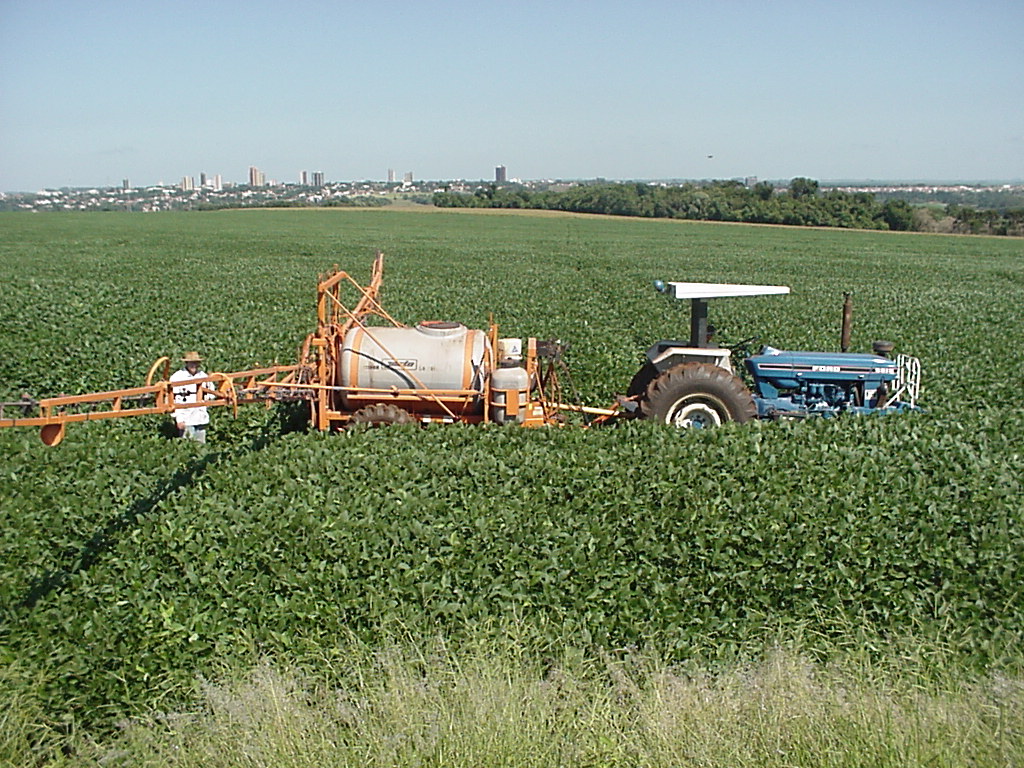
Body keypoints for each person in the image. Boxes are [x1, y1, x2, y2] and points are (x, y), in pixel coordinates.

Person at [169, 351, 213, 443]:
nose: (194, 365)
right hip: (186, 419)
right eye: (191, 363)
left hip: (201, 418)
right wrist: (179, 420)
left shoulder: (203, 376)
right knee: (187, 445)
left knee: (201, 446)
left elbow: (211, 393)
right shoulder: (177, 377)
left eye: (196, 363)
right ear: (186, 363)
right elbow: (173, 400)